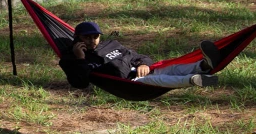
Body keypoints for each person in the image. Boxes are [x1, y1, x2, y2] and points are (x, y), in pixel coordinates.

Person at [59, 21, 223, 90]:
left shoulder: (111, 44)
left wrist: (143, 64)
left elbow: (138, 56)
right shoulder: (70, 59)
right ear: (77, 38)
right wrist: (80, 58)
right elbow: (79, 83)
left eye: (95, 37)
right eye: (86, 37)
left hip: (143, 71)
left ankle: (204, 66)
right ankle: (194, 80)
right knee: (158, 80)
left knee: (173, 68)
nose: (92, 41)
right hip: (130, 84)